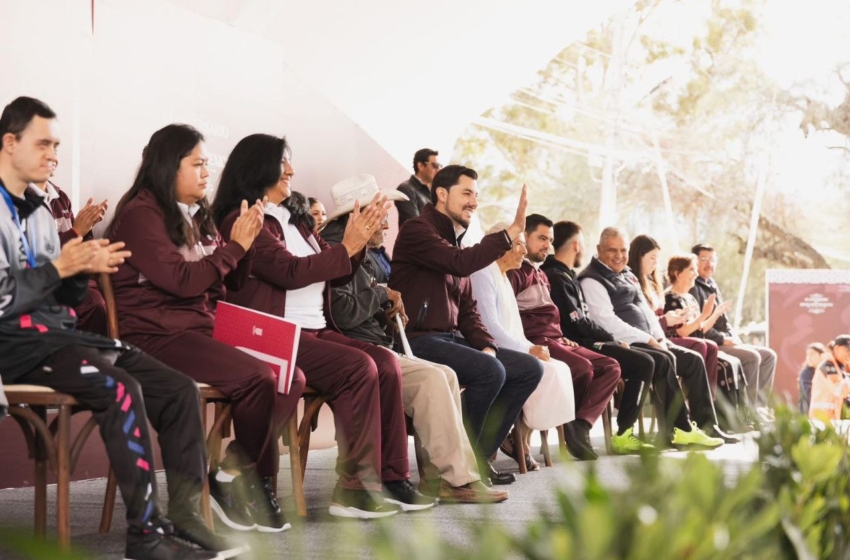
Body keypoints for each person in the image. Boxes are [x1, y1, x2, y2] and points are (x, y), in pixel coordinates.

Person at [0, 97, 225, 559]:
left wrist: (81, 270)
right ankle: (144, 536)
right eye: (43, 144)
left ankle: (184, 517)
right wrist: (59, 268)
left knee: (177, 388)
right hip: (15, 345)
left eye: (57, 145)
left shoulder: (40, 211)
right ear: (9, 142)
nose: (53, 156)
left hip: (57, 338)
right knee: (121, 390)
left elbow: (65, 300)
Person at [213, 145, 434, 519]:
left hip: (313, 329)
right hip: (267, 332)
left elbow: (334, 273)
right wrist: (346, 246)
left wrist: (356, 247)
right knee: (357, 367)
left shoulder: (296, 218)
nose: (290, 170)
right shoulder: (245, 217)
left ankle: (391, 476)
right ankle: (353, 489)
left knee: (384, 362)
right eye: (282, 162)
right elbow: (288, 271)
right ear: (257, 166)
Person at [109, 124, 300, 534]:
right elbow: (181, 281)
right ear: (167, 167)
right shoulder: (141, 214)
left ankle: (234, 474)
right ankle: (250, 482)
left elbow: (226, 282)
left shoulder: (198, 214)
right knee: (258, 377)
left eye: (206, 165)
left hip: (199, 327)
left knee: (290, 375)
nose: (206, 173)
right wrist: (236, 247)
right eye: (196, 164)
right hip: (155, 335)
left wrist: (241, 245)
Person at [321, 177, 508, 503]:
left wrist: (387, 307)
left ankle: (453, 477)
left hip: (378, 346)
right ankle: (454, 479)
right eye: (381, 211)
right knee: (436, 378)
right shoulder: (339, 249)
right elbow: (345, 314)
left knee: (446, 375)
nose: (387, 220)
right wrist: (381, 296)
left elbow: (361, 306)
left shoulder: (367, 251)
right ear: (359, 213)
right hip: (356, 354)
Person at [389, 165, 542, 484]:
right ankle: (459, 467)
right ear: (442, 194)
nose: (474, 201)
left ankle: (477, 456)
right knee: (491, 371)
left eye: (476, 194)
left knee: (528, 368)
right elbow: (459, 265)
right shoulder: (418, 231)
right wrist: (512, 230)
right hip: (417, 341)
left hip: (450, 340)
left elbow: (470, 310)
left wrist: (487, 344)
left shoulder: (453, 242)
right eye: (467, 193)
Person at [578, 227, 723, 448]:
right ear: (599, 249)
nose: (619, 256)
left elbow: (646, 312)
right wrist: (648, 339)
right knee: (663, 360)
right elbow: (606, 321)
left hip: (650, 340)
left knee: (693, 360)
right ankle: (678, 429)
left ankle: (703, 426)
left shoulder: (627, 274)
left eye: (623, 250)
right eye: (612, 250)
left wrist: (659, 337)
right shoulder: (592, 279)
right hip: (626, 343)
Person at [505, 215, 621, 460]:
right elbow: (510, 319)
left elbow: (553, 318)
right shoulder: (514, 273)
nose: (547, 245)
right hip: (536, 342)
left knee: (610, 366)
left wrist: (562, 336)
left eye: (550, 240)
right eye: (541, 238)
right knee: (582, 368)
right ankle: (570, 425)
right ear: (525, 237)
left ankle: (580, 424)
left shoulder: (542, 275)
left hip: (556, 340)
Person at [541, 220, 656, 454]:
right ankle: (602, 429)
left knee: (650, 360)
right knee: (642, 363)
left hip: (583, 341)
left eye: (623, 250)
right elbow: (577, 321)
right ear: (576, 246)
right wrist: (611, 339)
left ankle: (592, 426)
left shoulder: (567, 274)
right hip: (576, 343)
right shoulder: (556, 276)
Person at [470, 225, 575, 469]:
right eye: (518, 244)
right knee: (541, 370)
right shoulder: (483, 273)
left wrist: (532, 347)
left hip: (511, 346)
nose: (523, 250)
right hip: (489, 348)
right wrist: (528, 350)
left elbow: (515, 330)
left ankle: (522, 437)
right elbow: (490, 327)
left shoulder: (503, 276)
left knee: (559, 368)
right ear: (498, 246)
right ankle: (515, 440)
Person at [690, 243, 777, 415]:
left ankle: (759, 407)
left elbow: (724, 320)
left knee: (769, 356)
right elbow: (699, 325)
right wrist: (723, 339)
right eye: (704, 259)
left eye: (712, 259)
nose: (709, 263)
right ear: (694, 262)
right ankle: (747, 413)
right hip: (709, 344)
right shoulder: (693, 287)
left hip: (724, 339)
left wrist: (733, 337)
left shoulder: (712, 284)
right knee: (752, 357)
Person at [29, 162, 109, 335]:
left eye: (55, 150)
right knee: (93, 303)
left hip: (67, 279)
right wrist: (77, 231)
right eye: (42, 146)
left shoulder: (60, 197)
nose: (53, 158)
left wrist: (86, 229)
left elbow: (77, 247)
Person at [395, 148, 440, 227]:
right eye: (435, 165)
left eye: (439, 166)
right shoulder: (405, 189)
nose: (438, 169)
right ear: (421, 166)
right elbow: (415, 226)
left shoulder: (433, 193)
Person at [809, 335, 850, 422]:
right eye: (848, 350)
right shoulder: (828, 366)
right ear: (837, 349)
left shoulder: (839, 367)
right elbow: (841, 391)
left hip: (830, 420)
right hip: (820, 420)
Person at [799, 342, 826, 415]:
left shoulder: (827, 371)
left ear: (821, 355)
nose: (809, 357)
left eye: (812, 354)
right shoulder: (806, 374)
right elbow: (809, 394)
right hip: (809, 414)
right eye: (807, 354)